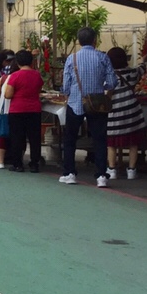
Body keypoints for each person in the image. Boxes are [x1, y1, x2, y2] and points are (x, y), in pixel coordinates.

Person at [60, 27, 116, 187]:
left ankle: (69, 173)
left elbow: (66, 85)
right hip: (97, 103)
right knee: (99, 139)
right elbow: (112, 82)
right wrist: (102, 87)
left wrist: (68, 92)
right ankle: (101, 176)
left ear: (78, 41)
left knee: (70, 139)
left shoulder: (72, 58)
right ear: (95, 40)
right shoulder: (103, 57)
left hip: (75, 102)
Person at [105, 46, 146, 180]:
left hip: (113, 113)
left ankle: (112, 170)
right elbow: (143, 68)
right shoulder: (133, 73)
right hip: (131, 113)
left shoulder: (107, 76)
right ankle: (131, 170)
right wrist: (144, 59)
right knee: (133, 142)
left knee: (111, 144)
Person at [3, 49, 45, 173]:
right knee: (34, 138)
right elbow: (39, 89)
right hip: (34, 109)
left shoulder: (15, 76)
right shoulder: (36, 75)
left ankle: (18, 163)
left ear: (18, 62)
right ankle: (34, 163)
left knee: (17, 138)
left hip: (17, 109)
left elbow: (8, 95)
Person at [0, 50, 17, 168]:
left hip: (4, 109)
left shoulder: (4, 77)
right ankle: (16, 159)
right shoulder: (28, 75)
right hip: (18, 110)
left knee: (1, 133)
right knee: (17, 135)